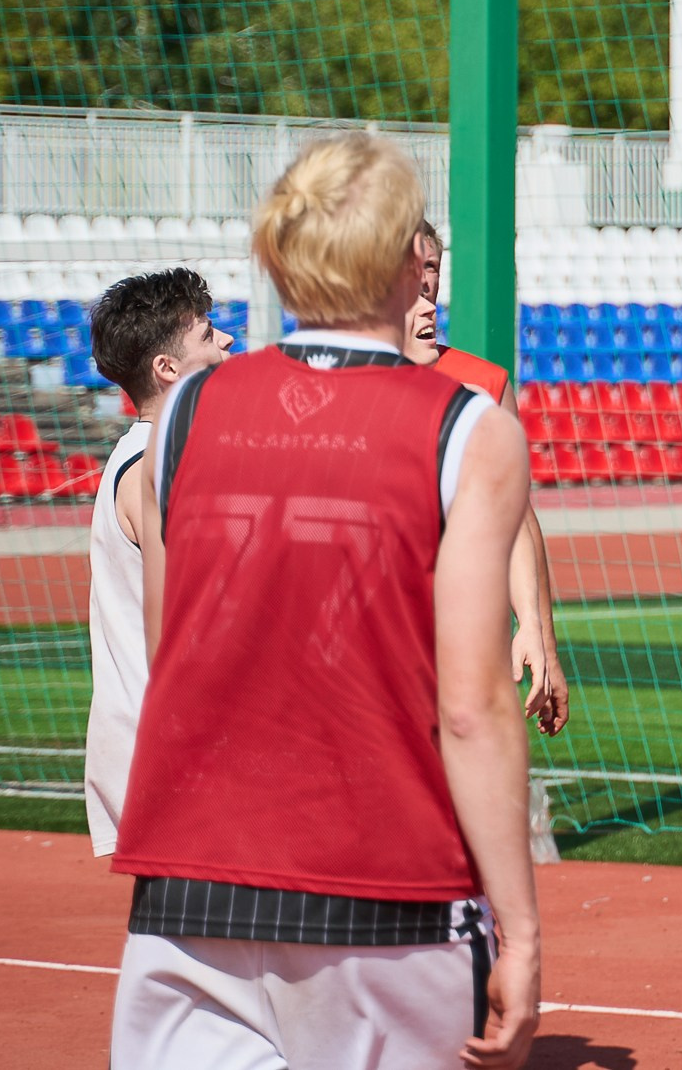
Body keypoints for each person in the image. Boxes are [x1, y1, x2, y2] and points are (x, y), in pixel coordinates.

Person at [111, 135, 540, 1070]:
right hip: (386, 884)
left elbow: (167, 652)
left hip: (190, 882)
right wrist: (524, 930)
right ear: (401, 263)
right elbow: (470, 709)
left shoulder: (182, 412)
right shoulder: (470, 426)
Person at [81, 267, 233, 857]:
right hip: (180, 757)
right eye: (209, 334)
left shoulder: (153, 454)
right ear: (167, 369)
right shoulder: (158, 463)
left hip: (171, 751)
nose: (226, 343)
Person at [405, 220, 568, 738]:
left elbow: (518, 517)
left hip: (468, 646)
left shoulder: (483, 384)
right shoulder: (336, 383)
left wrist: (540, 636)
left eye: (432, 267)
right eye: (412, 267)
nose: (425, 280)